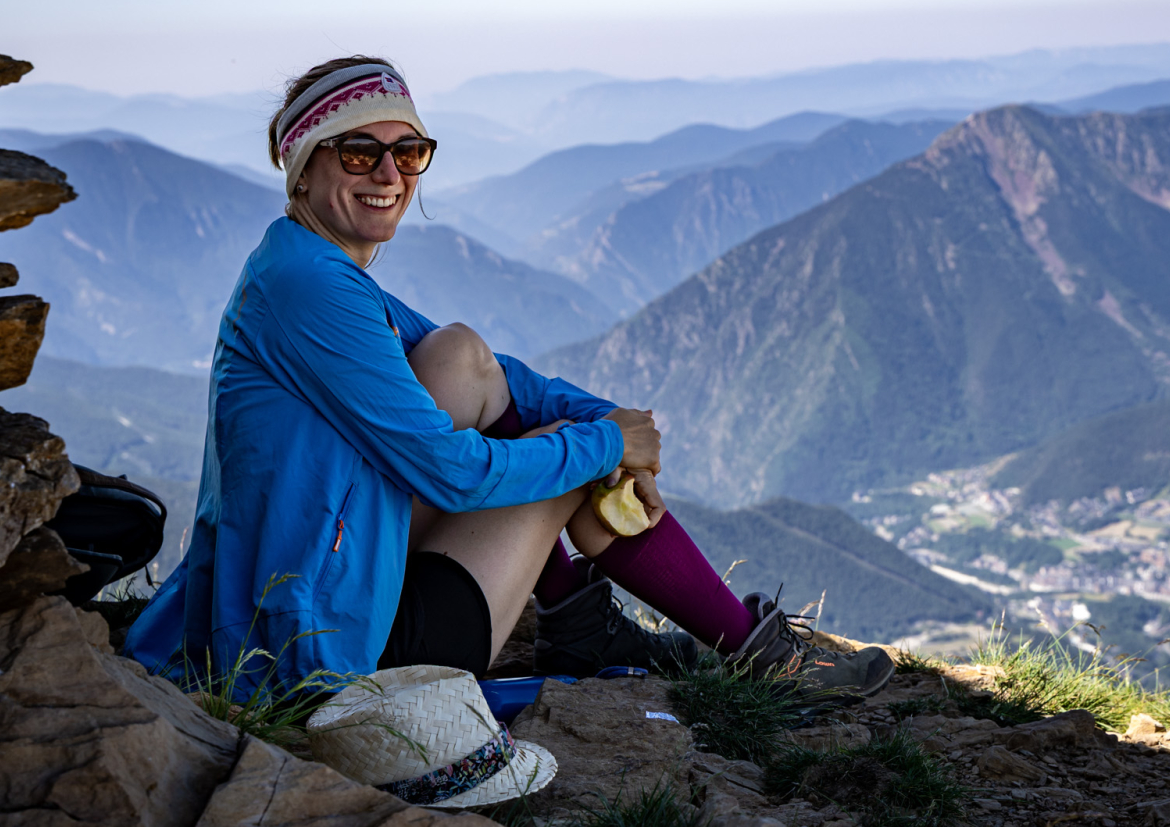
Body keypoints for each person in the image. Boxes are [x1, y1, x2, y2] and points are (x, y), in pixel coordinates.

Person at [123, 56, 895, 703]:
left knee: (461, 356)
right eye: (359, 153)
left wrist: (616, 421)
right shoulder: (310, 287)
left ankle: (584, 625)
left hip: (309, 601)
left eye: (410, 152)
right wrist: (603, 445)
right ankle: (757, 658)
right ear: (304, 167)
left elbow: (501, 379)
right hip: (327, 662)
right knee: (565, 452)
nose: (389, 173)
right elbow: (450, 474)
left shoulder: (304, 264)